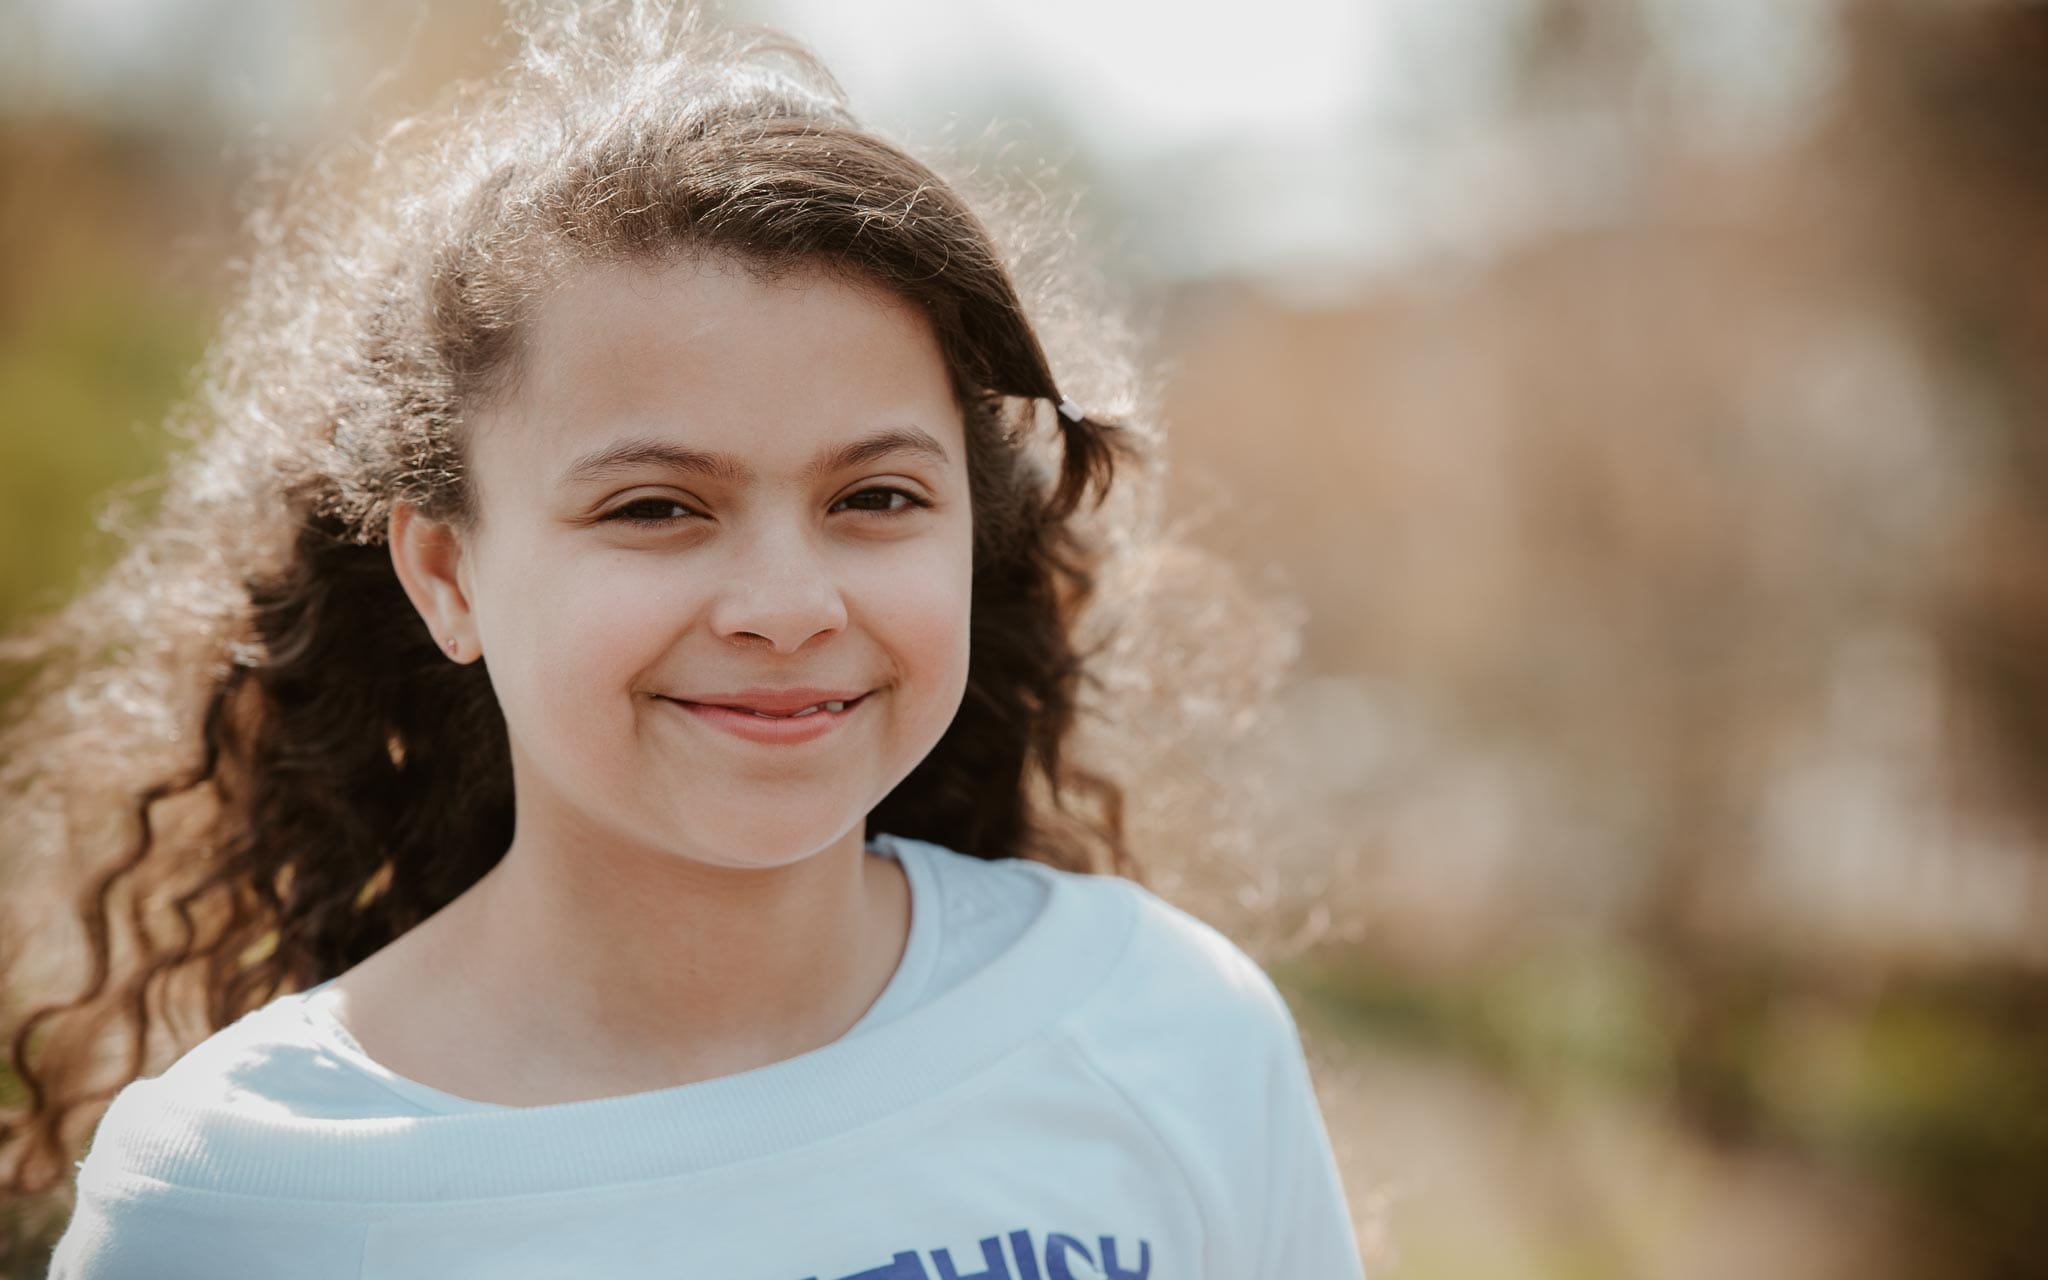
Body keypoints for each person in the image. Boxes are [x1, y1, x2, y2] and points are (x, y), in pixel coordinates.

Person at [2, 3, 1364, 1276]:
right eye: (656, 506)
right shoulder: (233, 1201)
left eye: (874, 498)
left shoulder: (1165, 1028)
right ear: (445, 571)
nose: (787, 603)